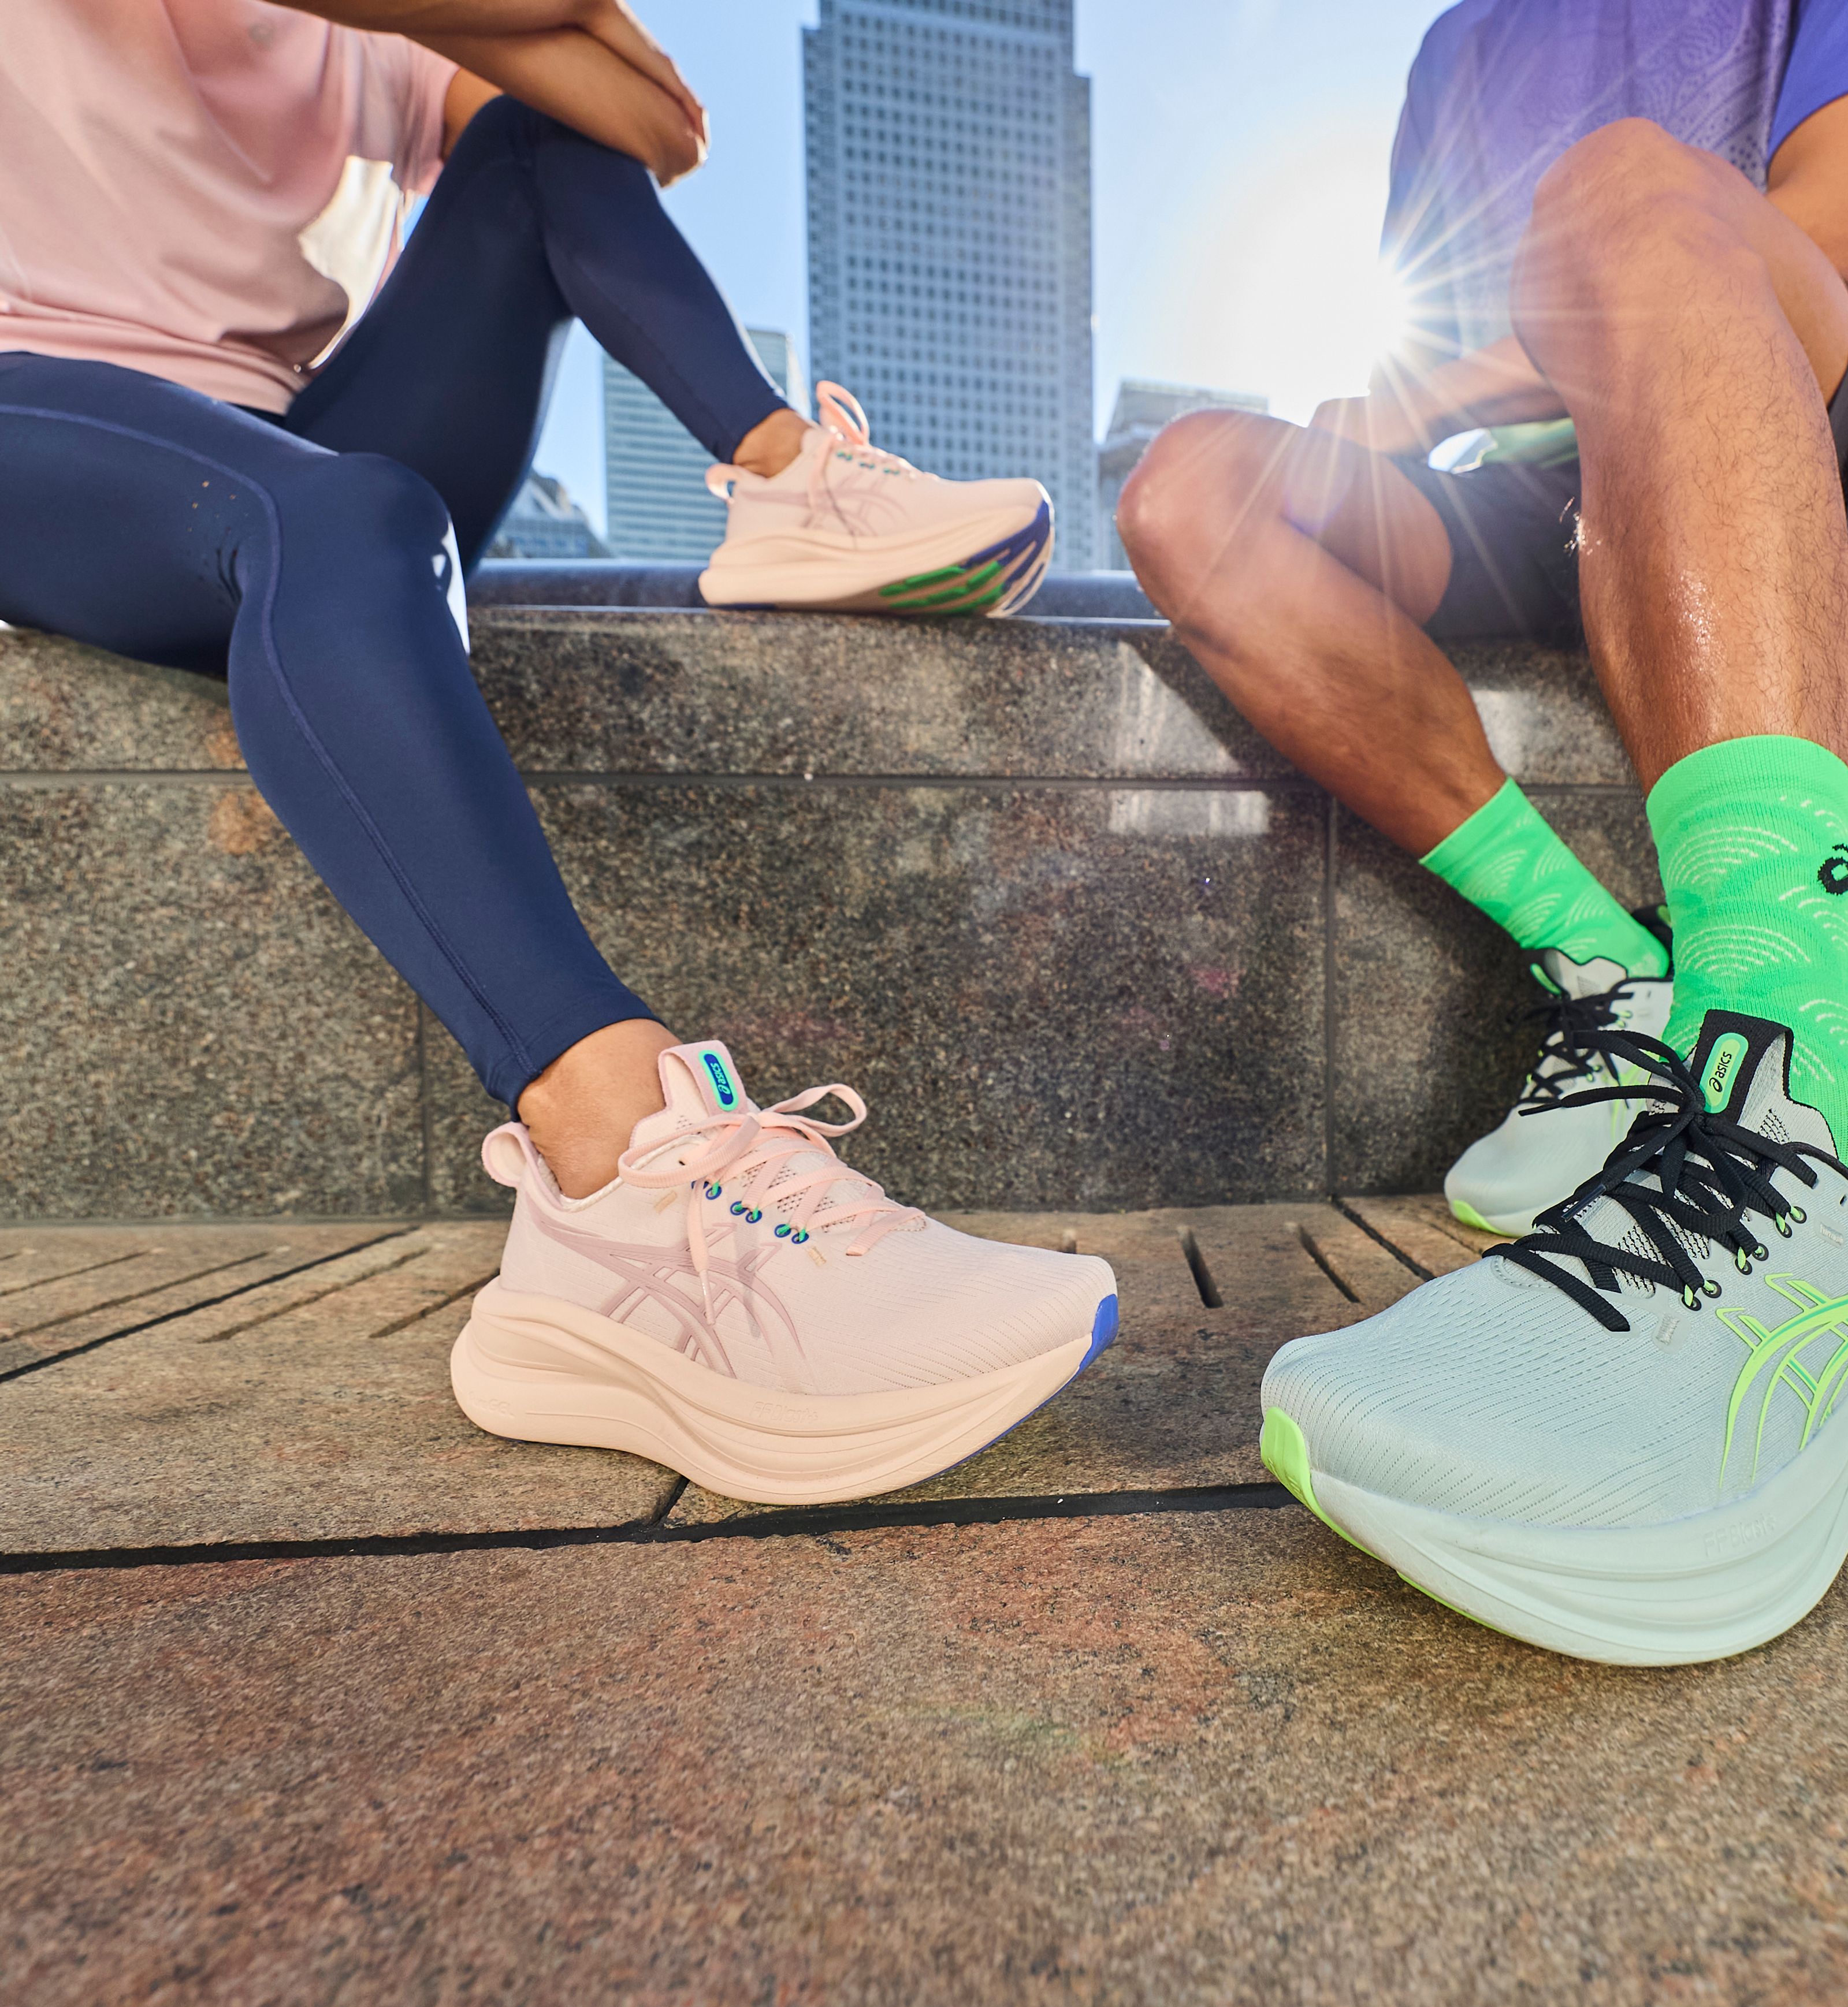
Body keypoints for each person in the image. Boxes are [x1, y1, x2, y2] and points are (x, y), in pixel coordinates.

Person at [0, 0, 1113, 1505]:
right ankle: (607, 1176)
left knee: (533, 141)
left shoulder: (375, 45)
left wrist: (549, 24)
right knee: (336, 516)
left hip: (311, 441)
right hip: (45, 416)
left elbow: (657, 127)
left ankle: (787, 480)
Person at [1118, 0, 1848, 1665]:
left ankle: (1801, 1109)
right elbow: (1433, 337)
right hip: (1531, 469)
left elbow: (1836, 229)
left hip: (1780, 394)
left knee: (1627, 194)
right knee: (1191, 489)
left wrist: (1452, 381)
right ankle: (1618, 980)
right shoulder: (1460, 46)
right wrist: (1404, 414)